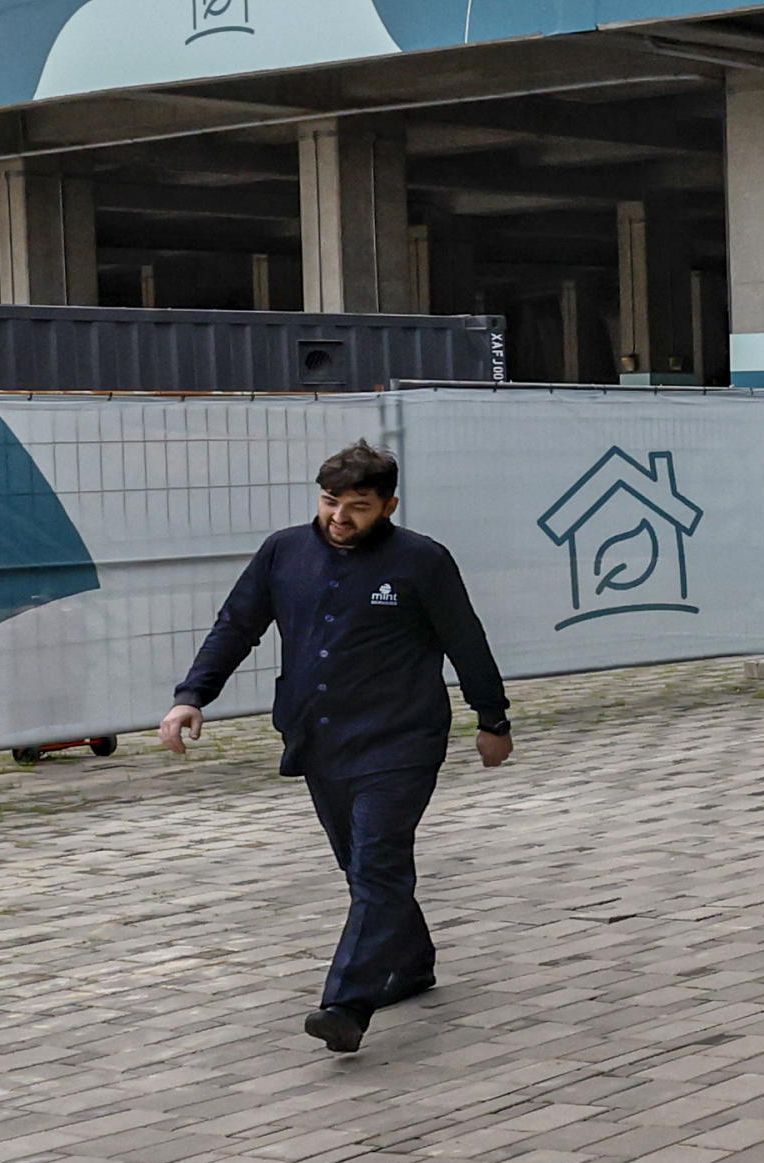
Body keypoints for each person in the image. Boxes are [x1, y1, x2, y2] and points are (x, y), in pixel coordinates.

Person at [162, 440, 513, 1054]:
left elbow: (466, 638)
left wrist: (492, 718)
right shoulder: (284, 552)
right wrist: (193, 695)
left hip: (401, 740)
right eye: (330, 502)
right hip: (318, 737)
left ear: (389, 506)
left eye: (358, 506)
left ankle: (347, 1004)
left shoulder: (421, 561)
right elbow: (236, 626)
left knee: (378, 863)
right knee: (362, 869)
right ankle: (410, 965)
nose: (340, 518)